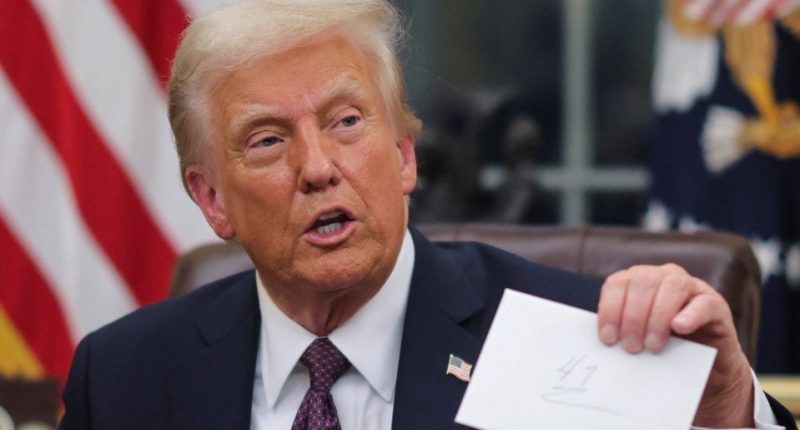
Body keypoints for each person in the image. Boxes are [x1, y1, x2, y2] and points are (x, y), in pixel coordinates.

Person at [60, 0, 796, 429]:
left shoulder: (582, 341)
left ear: (404, 155)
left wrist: (730, 410)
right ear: (212, 199)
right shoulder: (122, 378)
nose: (318, 167)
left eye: (347, 122)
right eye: (267, 140)